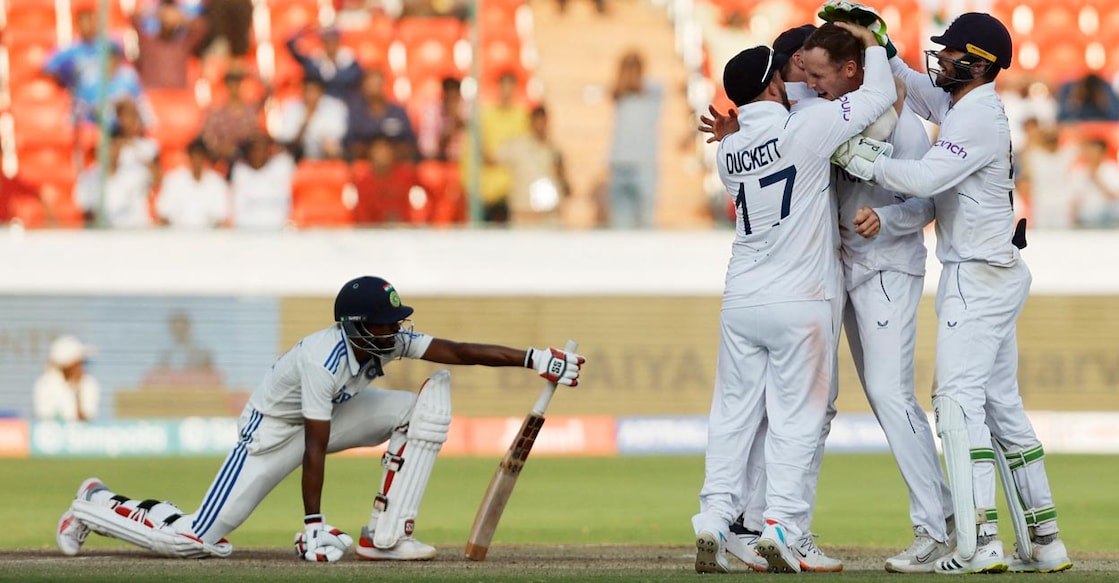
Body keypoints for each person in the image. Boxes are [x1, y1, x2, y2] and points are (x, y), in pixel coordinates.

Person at [55, 275, 585, 562]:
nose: (395, 332)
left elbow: (459, 350)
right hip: (270, 435)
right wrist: (313, 524)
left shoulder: (387, 338)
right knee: (193, 539)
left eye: (395, 322)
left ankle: (385, 537)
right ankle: (94, 503)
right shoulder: (322, 361)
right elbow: (314, 447)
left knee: (420, 408)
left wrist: (535, 358)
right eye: (384, 324)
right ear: (355, 326)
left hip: (329, 416)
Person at [830, 8, 1074, 574]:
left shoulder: (976, 118)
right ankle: (1045, 541)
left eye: (950, 53)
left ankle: (977, 541)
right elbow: (915, 90)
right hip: (992, 271)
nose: (940, 59)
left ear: (978, 64)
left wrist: (853, 155)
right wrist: (879, 45)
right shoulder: (967, 106)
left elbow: (923, 179)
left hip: (977, 275)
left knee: (957, 404)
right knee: (1001, 408)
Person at [692, 21, 896, 575]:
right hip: (799, 298)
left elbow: (748, 147)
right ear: (775, 85)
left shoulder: (727, 150)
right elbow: (878, 95)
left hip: (741, 299)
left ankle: (714, 518)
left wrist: (736, 129)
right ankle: (780, 524)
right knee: (798, 419)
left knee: (732, 415)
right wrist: (873, 43)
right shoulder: (808, 125)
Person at [801, 21, 955, 573]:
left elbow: (930, 201)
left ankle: (937, 528)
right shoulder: (827, 113)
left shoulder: (904, 125)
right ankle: (944, 517)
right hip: (839, 270)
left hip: (888, 268)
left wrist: (886, 219)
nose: (812, 85)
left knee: (891, 395)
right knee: (867, 396)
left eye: (819, 76)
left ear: (852, 70)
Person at [607, 50, 662, 229]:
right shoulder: (620, 94)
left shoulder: (653, 90)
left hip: (643, 165)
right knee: (620, 226)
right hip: (619, 164)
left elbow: (644, 87)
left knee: (645, 222)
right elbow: (614, 89)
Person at [156, 138, 231, 229]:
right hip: (177, 233)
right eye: (194, 156)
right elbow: (164, 212)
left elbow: (220, 216)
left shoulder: (217, 183)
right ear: (189, 156)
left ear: (206, 158)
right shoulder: (173, 180)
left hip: (208, 234)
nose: (197, 160)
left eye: (200, 156)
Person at [34, 335, 100, 422]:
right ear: (67, 364)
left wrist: (78, 392)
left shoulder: (88, 383)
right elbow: (45, 418)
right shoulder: (46, 384)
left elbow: (87, 420)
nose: (81, 366)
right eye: (78, 362)